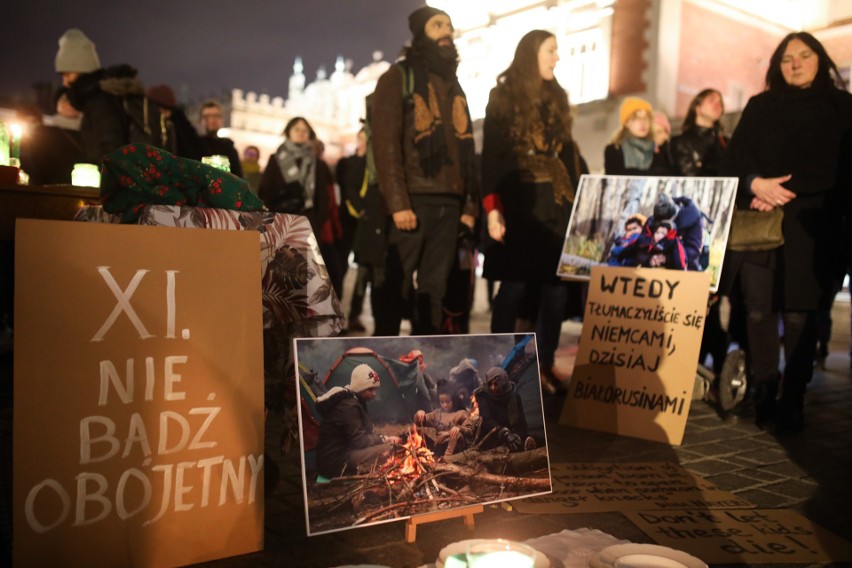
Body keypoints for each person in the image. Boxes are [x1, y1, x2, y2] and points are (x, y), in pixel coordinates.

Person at [721, 32, 852, 433]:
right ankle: (764, 386)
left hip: (814, 224)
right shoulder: (761, 105)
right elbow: (736, 155)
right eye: (786, 58)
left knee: (800, 313)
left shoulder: (841, 106)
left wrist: (781, 189)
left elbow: (842, 163)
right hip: (760, 220)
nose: (795, 64)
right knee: (759, 308)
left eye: (804, 56)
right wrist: (755, 183)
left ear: (820, 60)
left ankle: (793, 396)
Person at [481, 29, 588, 394]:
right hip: (520, 200)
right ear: (531, 53)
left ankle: (544, 362)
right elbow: (492, 157)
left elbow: (569, 156)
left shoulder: (557, 98)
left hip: (556, 203)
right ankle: (498, 366)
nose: (557, 57)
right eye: (551, 50)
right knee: (513, 286)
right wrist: (493, 209)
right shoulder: (503, 96)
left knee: (556, 291)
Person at [371, 5, 479, 335]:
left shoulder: (455, 85)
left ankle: (426, 355)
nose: (446, 30)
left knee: (436, 288)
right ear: (421, 34)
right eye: (437, 25)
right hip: (412, 201)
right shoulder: (398, 77)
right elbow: (386, 147)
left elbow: (468, 152)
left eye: (448, 25)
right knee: (395, 285)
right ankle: (384, 348)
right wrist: (399, 203)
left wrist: (469, 207)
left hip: (450, 203)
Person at [259, 117, 344, 299]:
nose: (300, 132)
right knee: (280, 277)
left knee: (306, 276)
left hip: (308, 225)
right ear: (288, 132)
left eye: (305, 130)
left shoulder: (318, 164)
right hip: (281, 225)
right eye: (297, 129)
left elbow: (323, 198)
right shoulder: (276, 160)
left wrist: (317, 224)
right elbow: (265, 191)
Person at [54, 28, 156, 164]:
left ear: (81, 70)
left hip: (105, 180)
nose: (65, 82)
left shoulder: (99, 101)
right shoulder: (95, 97)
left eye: (67, 74)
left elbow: (110, 150)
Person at [315, 363, 401, 478]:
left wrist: (386, 438)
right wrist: (384, 440)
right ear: (360, 387)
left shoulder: (353, 400)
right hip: (334, 462)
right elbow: (360, 440)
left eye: (375, 389)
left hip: (343, 453)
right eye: (370, 389)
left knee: (388, 446)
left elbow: (366, 432)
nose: (374, 394)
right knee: (389, 449)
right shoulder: (348, 406)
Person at [336, 129, 369, 331]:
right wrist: (359, 208)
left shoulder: (374, 164)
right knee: (340, 269)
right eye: (363, 138)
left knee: (362, 272)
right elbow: (345, 187)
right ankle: (336, 314)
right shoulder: (346, 163)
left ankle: (354, 315)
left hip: (367, 225)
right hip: (347, 221)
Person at [604, 97, 674, 176]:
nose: (643, 123)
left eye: (646, 118)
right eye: (636, 118)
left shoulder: (656, 150)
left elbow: (667, 176)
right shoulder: (614, 149)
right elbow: (617, 177)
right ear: (627, 123)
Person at [671, 89, 728, 177]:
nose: (717, 104)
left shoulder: (726, 143)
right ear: (697, 108)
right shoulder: (681, 142)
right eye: (711, 100)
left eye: (720, 102)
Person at [473, 367, 532, 452]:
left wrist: (517, 436)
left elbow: (521, 422)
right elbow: (486, 419)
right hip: (492, 434)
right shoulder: (483, 396)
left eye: (496, 384)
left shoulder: (514, 396)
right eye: (490, 384)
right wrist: (503, 432)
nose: (492, 387)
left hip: (511, 433)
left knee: (529, 439)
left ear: (503, 382)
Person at [414, 380, 476, 456]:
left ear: (453, 399)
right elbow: (420, 422)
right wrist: (420, 414)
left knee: (456, 434)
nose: (445, 405)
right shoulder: (437, 414)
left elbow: (470, 431)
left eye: (447, 402)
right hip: (439, 445)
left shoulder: (461, 413)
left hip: (455, 446)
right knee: (416, 432)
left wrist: (459, 428)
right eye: (442, 402)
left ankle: (447, 457)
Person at [145, 84, 204, 160]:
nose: (167, 114)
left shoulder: (179, 125)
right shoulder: (178, 123)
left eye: (168, 110)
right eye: (163, 110)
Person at [199, 100, 242, 177]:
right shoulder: (193, 146)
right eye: (208, 116)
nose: (212, 119)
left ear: (222, 120)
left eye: (216, 115)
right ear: (201, 120)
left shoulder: (229, 149)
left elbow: (238, 176)